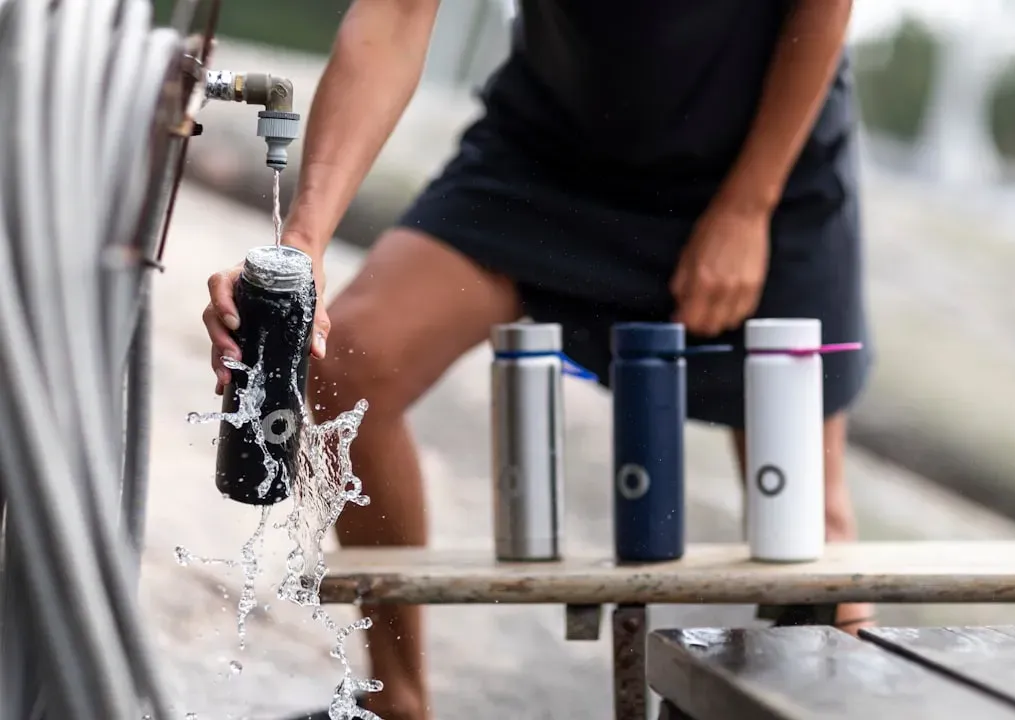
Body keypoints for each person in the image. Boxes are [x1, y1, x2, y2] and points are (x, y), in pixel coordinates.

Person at [202, 1, 871, 718]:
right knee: (346, 360)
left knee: (809, 524)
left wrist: (747, 206)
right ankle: (397, 703)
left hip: (759, 158)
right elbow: (394, 16)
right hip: (554, 150)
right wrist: (302, 246)